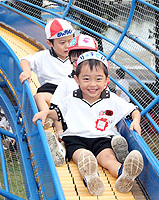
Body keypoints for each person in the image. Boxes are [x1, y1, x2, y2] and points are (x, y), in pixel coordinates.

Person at [33, 51, 143, 196]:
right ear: (77, 80)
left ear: (106, 80)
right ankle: (90, 177)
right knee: (82, 156)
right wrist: (46, 113)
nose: (92, 84)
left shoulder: (111, 99)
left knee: (108, 158)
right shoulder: (72, 98)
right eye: (86, 79)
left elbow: (133, 109)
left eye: (98, 79)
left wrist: (136, 121)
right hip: (75, 137)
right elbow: (58, 113)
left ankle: (124, 174)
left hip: (102, 138)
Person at [48, 35, 129, 166]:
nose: (81, 63)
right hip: (75, 127)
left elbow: (110, 104)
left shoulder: (99, 84)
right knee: (68, 140)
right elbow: (56, 109)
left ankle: (116, 145)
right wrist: (59, 130)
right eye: (75, 61)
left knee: (106, 125)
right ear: (70, 60)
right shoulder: (67, 83)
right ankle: (60, 150)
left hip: (96, 127)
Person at [19, 18, 75, 128]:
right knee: (39, 97)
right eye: (62, 43)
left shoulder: (76, 56)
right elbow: (25, 60)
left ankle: (60, 132)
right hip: (50, 91)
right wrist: (27, 71)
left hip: (68, 92)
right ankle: (47, 117)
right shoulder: (43, 56)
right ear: (50, 43)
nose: (67, 46)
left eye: (70, 41)